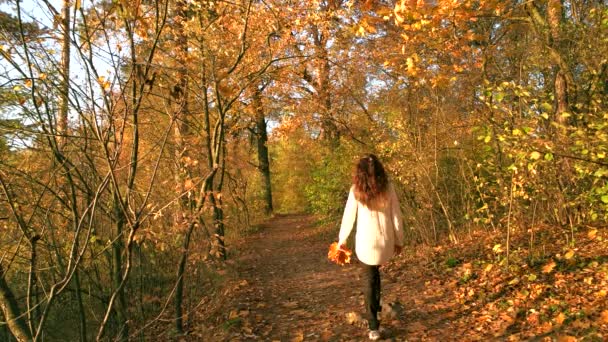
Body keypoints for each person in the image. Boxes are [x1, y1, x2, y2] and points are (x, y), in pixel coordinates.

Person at [337, 154, 404, 341]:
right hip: (385, 243)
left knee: (368, 279)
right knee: (375, 274)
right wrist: (399, 240)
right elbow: (397, 217)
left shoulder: (355, 190)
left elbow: (348, 217)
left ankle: (373, 326)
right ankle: (378, 305)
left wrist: (341, 241)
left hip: (366, 244)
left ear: (360, 173)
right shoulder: (388, 188)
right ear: (380, 171)